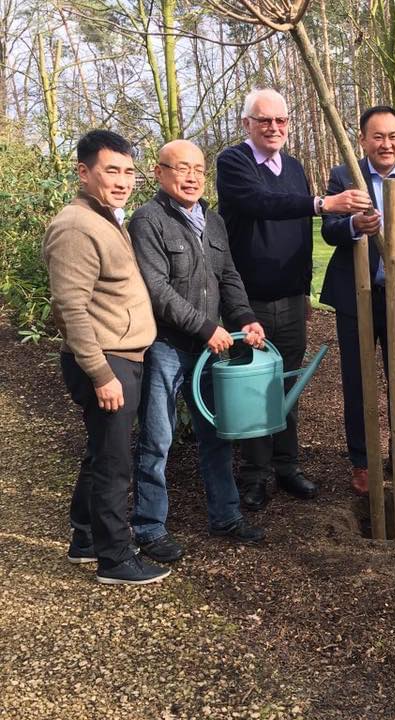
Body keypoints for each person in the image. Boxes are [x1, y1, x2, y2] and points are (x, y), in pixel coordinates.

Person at [217, 88, 373, 511]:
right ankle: (255, 475)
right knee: (253, 389)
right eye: (264, 120)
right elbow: (260, 203)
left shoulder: (295, 166)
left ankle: (287, 466)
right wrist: (323, 203)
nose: (274, 128)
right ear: (246, 123)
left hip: (289, 300)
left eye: (281, 120)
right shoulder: (234, 162)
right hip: (247, 303)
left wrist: (304, 288)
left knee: (287, 384)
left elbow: (301, 235)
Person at [128, 140, 266, 562]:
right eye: (181, 168)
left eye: (198, 170)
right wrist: (207, 327)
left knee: (215, 435)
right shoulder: (147, 221)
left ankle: (225, 516)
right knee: (157, 438)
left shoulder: (214, 220)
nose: (191, 177)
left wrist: (244, 318)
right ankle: (149, 528)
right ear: (159, 172)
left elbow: (229, 277)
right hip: (167, 347)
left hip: (210, 351)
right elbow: (157, 291)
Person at [43, 130, 169, 585]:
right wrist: (100, 374)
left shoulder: (105, 218)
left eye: (128, 171)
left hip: (120, 357)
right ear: (83, 172)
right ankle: (116, 560)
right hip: (106, 360)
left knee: (101, 452)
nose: (122, 180)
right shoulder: (76, 226)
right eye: (110, 170)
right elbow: (69, 307)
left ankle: (85, 538)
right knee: (115, 462)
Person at [321, 105, 395, 496]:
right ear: (363, 140)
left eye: (393, 136)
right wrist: (353, 225)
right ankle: (362, 463)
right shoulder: (344, 177)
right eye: (378, 136)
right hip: (355, 299)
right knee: (358, 381)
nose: (386, 144)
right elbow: (330, 232)